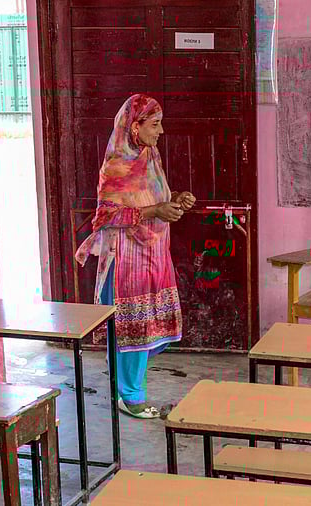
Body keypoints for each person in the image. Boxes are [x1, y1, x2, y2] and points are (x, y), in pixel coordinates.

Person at [75, 94, 196, 419]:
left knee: (144, 328)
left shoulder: (150, 156)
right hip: (126, 260)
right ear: (135, 125)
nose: (160, 131)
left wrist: (176, 201)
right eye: (154, 124)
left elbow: (154, 199)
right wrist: (155, 210)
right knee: (132, 329)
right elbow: (105, 217)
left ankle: (126, 390)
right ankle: (130, 397)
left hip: (153, 253)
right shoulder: (117, 165)